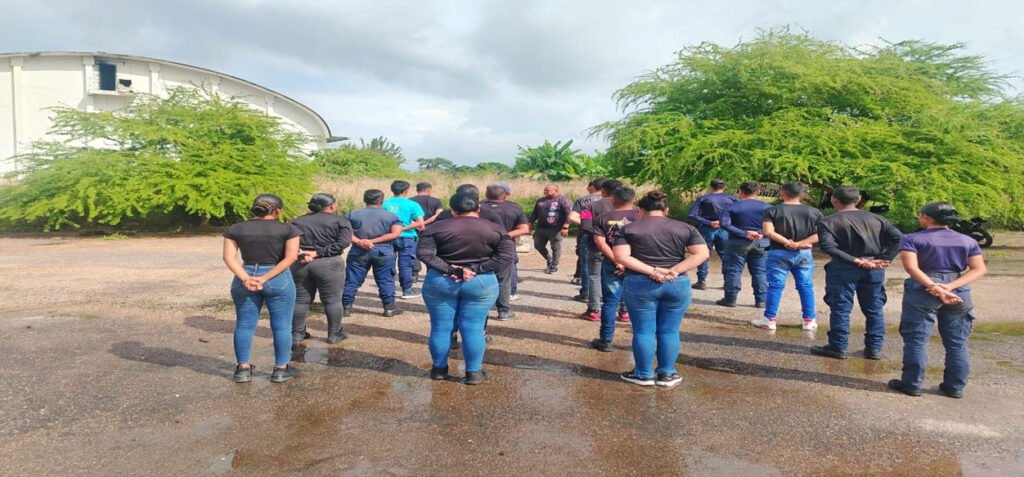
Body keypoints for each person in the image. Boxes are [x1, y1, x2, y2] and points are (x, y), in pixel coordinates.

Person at [888, 202, 986, 398]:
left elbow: (911, 268)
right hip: (959, 289)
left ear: (925, 217)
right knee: (957, 342)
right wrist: (949, 287)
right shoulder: (967, 240)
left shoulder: (911, 239)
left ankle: (912, 384)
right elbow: (979, 269)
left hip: (923, 288)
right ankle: (954, 387)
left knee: (917, 339)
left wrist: (935, 286)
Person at [612, 191, 709, 388]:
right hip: (676, 284)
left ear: (640, 210)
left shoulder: (627, 229)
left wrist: (652, 271)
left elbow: (621, 257)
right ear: (666, 210)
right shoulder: (685, 228)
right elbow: (701, 254)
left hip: (639, 283)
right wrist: (674, 271)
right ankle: (667, 374)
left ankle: (643, 374)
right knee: (670, 331)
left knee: (643, 331)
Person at [418, 192, 514, 385]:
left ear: (452, 210)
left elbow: (424, 254)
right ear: (478, 208)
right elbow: (505, 257)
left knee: (440, 326)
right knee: (474, 328)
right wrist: (475, 269)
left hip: (441, 281)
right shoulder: (496, 229)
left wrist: (452, 269)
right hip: (480, 282)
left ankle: (439, 370)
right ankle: (473, 373)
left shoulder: (435, 228)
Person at [811, 186, 903, 360]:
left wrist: (857, 260)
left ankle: (838, 346)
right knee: (874, 308)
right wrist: (884, 259)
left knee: (841, 307)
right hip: (873, 267)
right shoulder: (877, 218)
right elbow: (900, 239)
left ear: (834, 200)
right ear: (859, 199)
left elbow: (828, 247)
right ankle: (874, 348)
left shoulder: (828, 221)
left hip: (843, 267)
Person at [222, 194, 302, 384]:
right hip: (277, 277)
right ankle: (280, 369)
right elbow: (291, 257)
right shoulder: (288, 229)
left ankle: (242, 369)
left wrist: (246, 278)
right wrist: (265, 278)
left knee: (244, 324)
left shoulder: (236, 229)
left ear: (254, 208)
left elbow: (228, 257)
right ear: (277, 211)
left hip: (246, 274)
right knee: (282, 325)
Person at [755, 181, 824, 331]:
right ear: (802, 195)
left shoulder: (772, 210)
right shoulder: (814, 212)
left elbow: (768, 232)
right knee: (805, 286)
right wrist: (799, 244)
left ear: (782, 193)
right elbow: (821, 234)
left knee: (775, 286)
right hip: (804, 253)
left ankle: (769, 320)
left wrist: (788, 242)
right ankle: (809, 320)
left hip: (778, 252)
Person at [289, 193, 353, 345]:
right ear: (331, 206)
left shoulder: (297, 221)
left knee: (300, 300)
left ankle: (297, 333)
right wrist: (318, 253)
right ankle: (334, 334)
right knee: (332, 300)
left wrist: (302, 253)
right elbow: (344, 242)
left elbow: (288, 241)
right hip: (329, 263)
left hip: (301, 262)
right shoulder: (340, 221)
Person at [590, 185, 640, 351]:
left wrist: (617, 260)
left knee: (610, 302)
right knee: (641, 303)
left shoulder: (602, 218)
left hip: (612, 264)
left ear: (613, 200)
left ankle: (606, 340)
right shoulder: (642, 217)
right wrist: (629, 262)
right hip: (638, 265)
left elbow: (600, 242)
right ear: (634, 199)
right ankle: (642, 340)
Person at [342, 189, 404, 317]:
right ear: (381, 201)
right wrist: (373, 241)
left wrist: (360, 242)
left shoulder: (352, 215)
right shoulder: (391, 216)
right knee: (386, 280)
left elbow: (345, 233)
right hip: (383, 252)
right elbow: (395, 233)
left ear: (364, 200)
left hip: (358, 251)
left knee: (352, 280)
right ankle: (389, 309)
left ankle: (345, 308)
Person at [571, 179, 622, 320]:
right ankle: (624, 311)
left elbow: (585, 225)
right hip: (620, 248)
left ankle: (593, 310)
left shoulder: (588, 206)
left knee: (594, 276)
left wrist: (600, 234)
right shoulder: (630, 208)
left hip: (595, 246)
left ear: (603, 191)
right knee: (622, 276)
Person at [716, 181, 771, 308]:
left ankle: (730, 299)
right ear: (757, 192)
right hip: (762, 242)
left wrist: (744, 233)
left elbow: (724, 224)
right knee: (760, 271)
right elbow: (775, 225)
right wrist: (759, 233)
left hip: (737, 241)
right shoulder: (768, 207)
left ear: (740, 192)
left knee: (733, 270)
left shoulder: (730, 207)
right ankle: (761, 300)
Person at [481, 184, 530, 321]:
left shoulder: (478, 208)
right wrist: (506, 235)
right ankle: (503, 311)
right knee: (503, 279)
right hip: (505, 247)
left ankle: (481, 310)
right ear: (505, 196)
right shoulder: (514, 208)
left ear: (486, 195)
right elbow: (524, 229)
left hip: (481, 246)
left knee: (480, 276)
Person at [688, 179, 738, 290]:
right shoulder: (732, 199)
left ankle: (701, 281)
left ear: (711, 187)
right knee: (725, 255)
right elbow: (738, 214)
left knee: (704, 253)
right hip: (725, 228)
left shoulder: (703, 198)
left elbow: (692, 214)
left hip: (707, 228)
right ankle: (727, 282)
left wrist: (708, 222)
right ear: (724, 187)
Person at [383, 180, 426, 299]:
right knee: (405, 265)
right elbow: (420, 223)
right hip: (407, 237)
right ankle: (407, 290)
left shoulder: (385, 204)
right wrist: (402, 228)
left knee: (388, 264)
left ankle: (389, 291)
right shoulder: (412, 204)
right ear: (406, 191)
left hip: (389, 237)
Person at [569, 179, 605, 294]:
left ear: (593, 187)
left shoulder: (585, 201)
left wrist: (589, 224)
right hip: (609, 235)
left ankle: (586, 293)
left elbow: (573, 217)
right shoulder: (615, 201)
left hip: (587, 234)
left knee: (587, 264)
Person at [529, 184, 573, 274]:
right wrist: (530, 223)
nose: (544, 191)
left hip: (556, 229)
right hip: (541, 228)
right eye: (544, 190)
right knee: (538, 245)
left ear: (556, 190)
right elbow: (534, 213)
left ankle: (554, 265)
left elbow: (569, 214)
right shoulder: (540, 200)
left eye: (547, 190)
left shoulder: (563, 200)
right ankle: (549, 259)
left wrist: (565, 226)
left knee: (555, 247)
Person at [410, 182, 445, 283]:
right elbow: (438, 215)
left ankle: (414, 274)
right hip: (431, 230)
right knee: (430, 252)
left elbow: (407, 216)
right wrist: (424, 223)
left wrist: (417, 224)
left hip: (414, 229)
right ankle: (430, 272)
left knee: (414, 251)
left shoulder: (410, 201)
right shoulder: (436, 201)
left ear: (417, 190)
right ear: (429, 190)